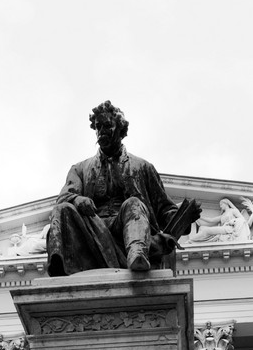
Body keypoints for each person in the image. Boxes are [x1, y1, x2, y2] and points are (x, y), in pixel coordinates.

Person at [47, 101, 200, 275]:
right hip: (92, 229)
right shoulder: (80, 169)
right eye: (98, 127)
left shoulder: (142, 167)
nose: (101, 131)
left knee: (133, 203)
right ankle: (60, 269)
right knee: (63, 208)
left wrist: (182, 218)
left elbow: (164, 208)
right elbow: (64, 197)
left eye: (107, 125)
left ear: (120, 130)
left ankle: (137, 254)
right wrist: (77, 199)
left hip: (128, 229)